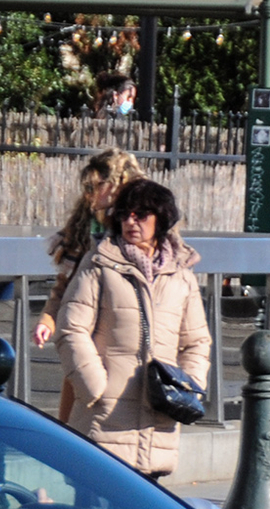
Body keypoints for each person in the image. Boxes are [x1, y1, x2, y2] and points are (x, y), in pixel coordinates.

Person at [56, 178, 210, 479]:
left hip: (157, 423)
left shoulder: (181, 274)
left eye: (141, 214)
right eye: (125, 213)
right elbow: (70, 328)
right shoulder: (99, 264)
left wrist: (187, 387)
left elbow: (197, 341)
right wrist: (95, 386)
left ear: (161, 219)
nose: (130, 221)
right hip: (103, 422)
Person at [34, 146, 144, 423]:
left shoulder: (143, 225)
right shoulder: (86, 226)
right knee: (76, 429)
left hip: (129, 346)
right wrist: (48, 319)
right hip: (88, 343)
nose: (90, 194)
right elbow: (66, 283)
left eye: (96, 185)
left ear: (118, 185)